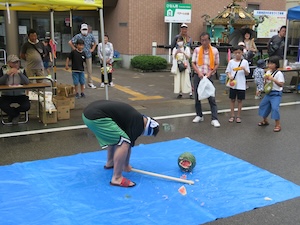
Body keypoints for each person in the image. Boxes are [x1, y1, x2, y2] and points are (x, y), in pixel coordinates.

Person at [82, 100, 159, 187]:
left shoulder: (133, 117)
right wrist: (125, 165)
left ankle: (110, 162)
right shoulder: (138, 124)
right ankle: (117, 178)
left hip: (88, 114)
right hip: (96, 117)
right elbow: (128, 144)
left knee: (116, 137)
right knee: (124, 142)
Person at [191, 32, 221, 127]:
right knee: (197, 96)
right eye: (202, 40)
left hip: (209, 75)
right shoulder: (197, 50)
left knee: (211, 96)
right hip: (198, 75)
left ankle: (214, 118)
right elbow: (193, 63)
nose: (204, 42)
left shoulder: (214, 51)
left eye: (206, 40)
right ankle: (199, 115)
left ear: (209, 40)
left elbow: (217, 64)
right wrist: (199, 73)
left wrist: (210, 73)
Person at [0, 55, 30, 124]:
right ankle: (15, 114)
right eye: (14, 63)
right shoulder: (3, 69)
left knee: (26, 106)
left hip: (20, 94)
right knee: (2, 105)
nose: (16, 64)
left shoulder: (22, 69)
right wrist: (7, 74)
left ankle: (13, 114)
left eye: (17, 62)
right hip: (6, 95)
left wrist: (20, 73)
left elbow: (27, 82)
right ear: (8, 63)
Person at [258, 56, 285, 132]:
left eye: (271, 64)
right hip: (268, 92)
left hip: (276, 93)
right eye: (269, 63)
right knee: (263, 106)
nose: (269, 65)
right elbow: (266, 83)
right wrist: (265, 80)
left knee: (275, 108)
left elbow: (281, 84)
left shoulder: (279, 73)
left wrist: (273, 79)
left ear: (276, 64)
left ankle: (278, 125)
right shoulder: (268, 72)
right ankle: (265, 120)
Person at [225, 45, 250, 123]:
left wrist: (244, 69)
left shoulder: (245, 62)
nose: (237, 54)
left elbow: (247, 74)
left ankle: (238, 116)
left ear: (242, 53)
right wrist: (230, 76)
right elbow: (228, 71)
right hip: (233, 84)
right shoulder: (231, 62)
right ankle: (232, 115)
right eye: (236, 53)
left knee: (240, 100)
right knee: (232, 100)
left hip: (241, 84)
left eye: (239, 53)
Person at [69, 23, 97, 89]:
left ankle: (90, 82)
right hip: (79, 55)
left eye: (85, 29)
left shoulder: (90, 36)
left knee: (89, 70)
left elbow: (95, 42)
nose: (84, 30)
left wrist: (92, 49)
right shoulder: (78, 36)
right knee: (81, 69)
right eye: (83, 29)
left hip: (88, 55)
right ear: (81, 29)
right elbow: (70, 42)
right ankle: (82, 83)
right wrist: (75, 49)